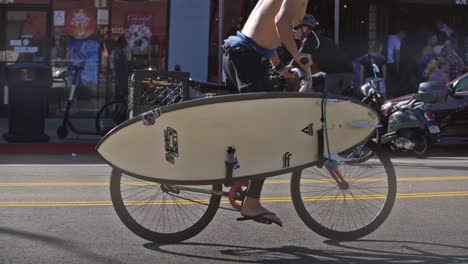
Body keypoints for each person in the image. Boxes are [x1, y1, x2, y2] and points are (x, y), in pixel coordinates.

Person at [222, 0, 312, 227]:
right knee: (270, 132)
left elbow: (264, 34)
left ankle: (236, 170)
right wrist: (298, 56)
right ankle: (251, 202)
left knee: (253, 125)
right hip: (246, 60)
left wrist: (279, 66)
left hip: (238, 55)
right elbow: (281, 23)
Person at [289, 14, 355, 96]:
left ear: (304, 28)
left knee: (328, 101)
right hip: (329, 72)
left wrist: (287, 68)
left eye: (295, 27)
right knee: (306, 82)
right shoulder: (311, 39)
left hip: (340, 73)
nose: (293, 30)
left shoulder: (311, 39)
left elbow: (298, 57)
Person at [387, 30, 406, 97]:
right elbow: (397, 54)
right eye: (403, 36)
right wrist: (397, 67)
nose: (403, 38)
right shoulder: (397, 41)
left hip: (385, 60)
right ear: (401, 33)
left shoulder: (390, 36)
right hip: (390, 61)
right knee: (392, 79)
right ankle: (392, 94)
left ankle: (388, 92)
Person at [113, 36, 129, 101]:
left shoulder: (121, 50)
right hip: (120, 73)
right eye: (124, 42)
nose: (125, 43)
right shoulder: (118, 51)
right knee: (120, 88)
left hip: (121, 73)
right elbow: (118, 63)